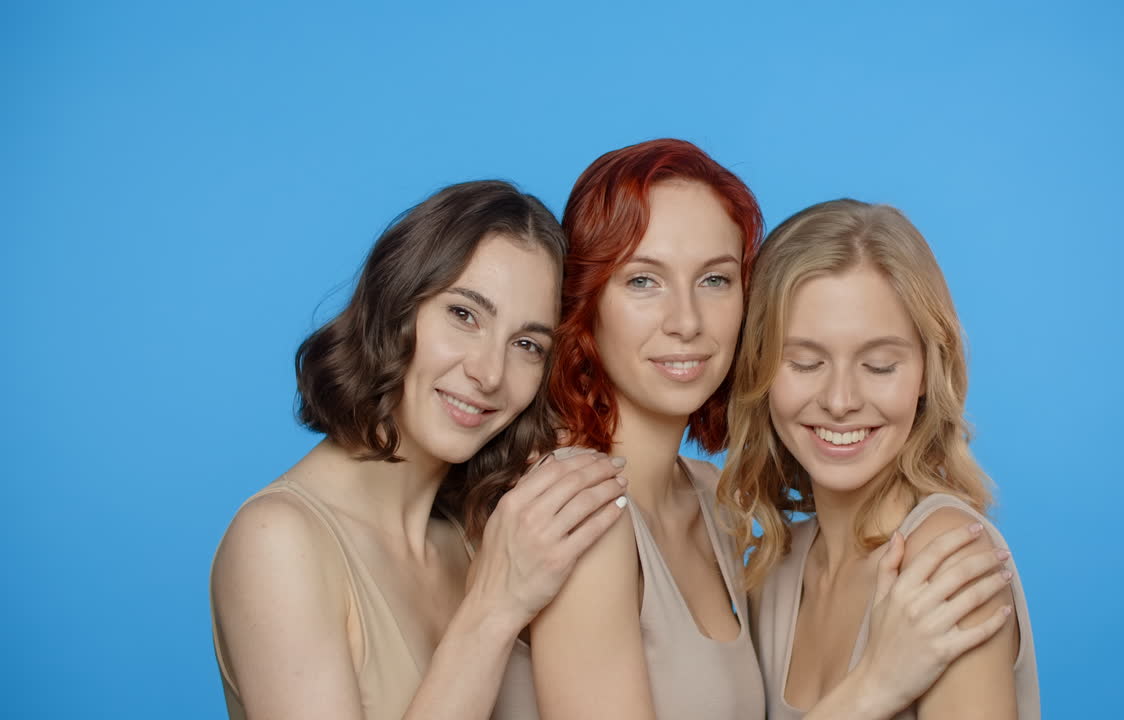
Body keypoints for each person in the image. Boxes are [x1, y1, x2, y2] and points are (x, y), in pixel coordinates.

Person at [531, 141, 1017, 720]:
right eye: (642, 281)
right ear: (585, 301)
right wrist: (876, 685)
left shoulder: (725, 514)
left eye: (714, 279)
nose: (685, 322)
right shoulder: (575, 509)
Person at [209, 181, 629, 720]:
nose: (489, 372)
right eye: (463, 315)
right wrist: (494, 609)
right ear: (396, 306)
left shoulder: (481, 532)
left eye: (527, 345)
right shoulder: (279, 541)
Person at [718, 199, 1040, 719]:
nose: (840, 400)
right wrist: (874, 685)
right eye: (804, 361)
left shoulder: (946, 565)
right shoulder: (770, 571)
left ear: (925, 375)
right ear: (759, 368)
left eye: (879, 365)